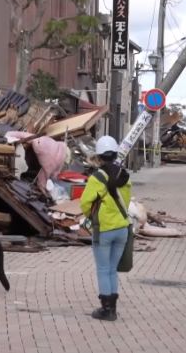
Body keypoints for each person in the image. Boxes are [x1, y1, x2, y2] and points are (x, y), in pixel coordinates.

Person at [80, 135, 132, 321]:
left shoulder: (97, 177)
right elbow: (125, 202)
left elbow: (85, 203)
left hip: (104, 230)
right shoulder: (124, 176)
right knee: (111, 269)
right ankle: (113, 307)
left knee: (103, 269)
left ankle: (107, 310)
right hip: (122, 229)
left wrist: (90, 216)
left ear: (99, 156)